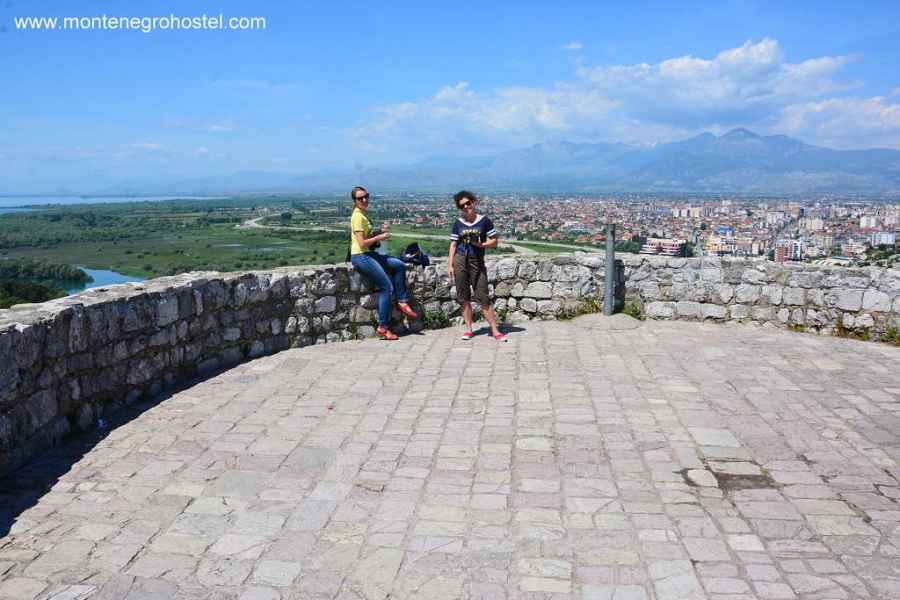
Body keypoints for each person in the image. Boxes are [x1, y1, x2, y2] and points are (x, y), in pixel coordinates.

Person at [348, 186, 417, 340]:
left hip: (369, 254)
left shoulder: (362, 214)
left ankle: (402, 301)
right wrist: (380, 238)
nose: (364, 200)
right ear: (355, 201)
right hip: (361, 256)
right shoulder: (357, 217)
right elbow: (362, 243)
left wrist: (377, 234)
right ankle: (383, 327)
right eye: (360, 198)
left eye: (366, 196)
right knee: (387, 287)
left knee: (399, 265)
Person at [448, 190, 508, 342]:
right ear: (460, 208)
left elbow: (494, 241)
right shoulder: (458, 223)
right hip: (460, 260)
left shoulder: (484, 221)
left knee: (483, 296)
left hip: (477, 260)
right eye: (463, 206)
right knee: (463, 297)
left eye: (468, 203)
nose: (466, 207)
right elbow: (453, 244)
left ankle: (495, 330)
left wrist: (481, 244)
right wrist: (450, 264)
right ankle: (469, 329)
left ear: (473, 202)